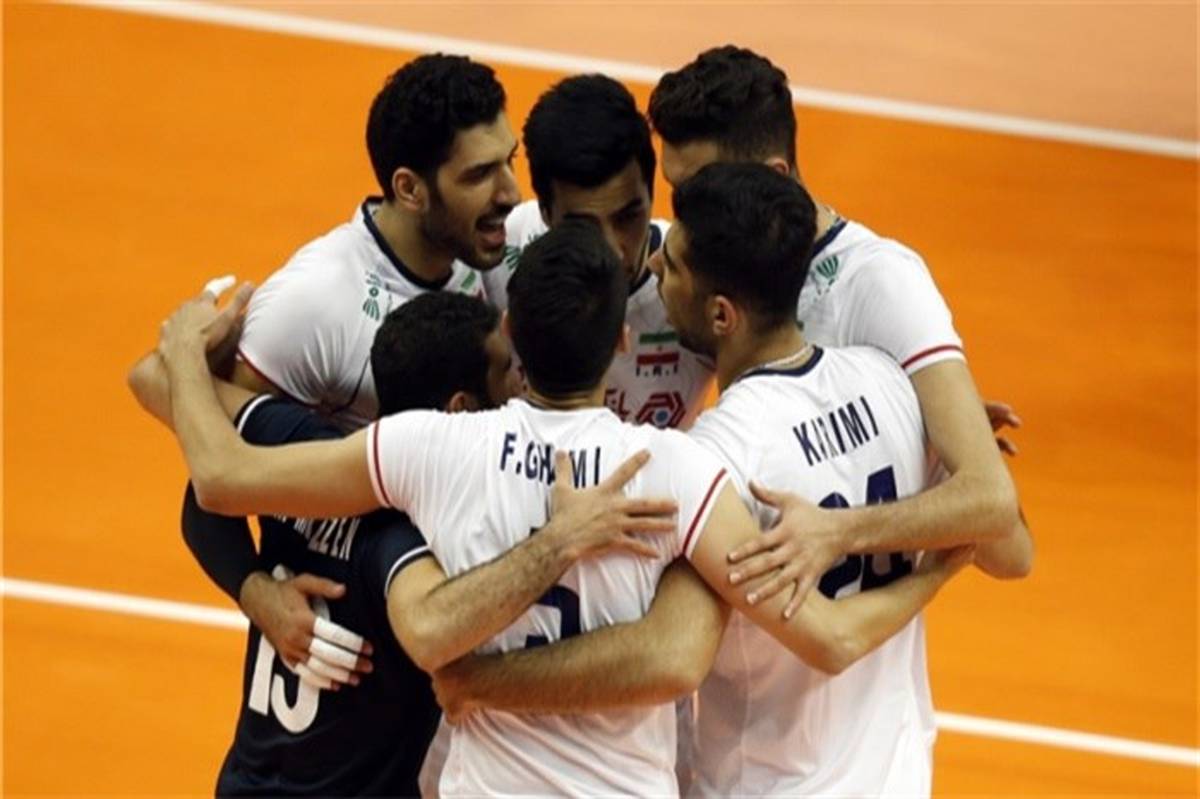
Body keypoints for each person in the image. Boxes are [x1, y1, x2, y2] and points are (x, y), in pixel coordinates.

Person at [153, 219, 967, 796]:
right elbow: (828, 638)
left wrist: (186, 354)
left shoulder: (428, 446)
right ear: (621, 343)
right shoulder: (679, 469)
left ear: (510, 330)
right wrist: (939, 563)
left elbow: (221, 478)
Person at [428, 164, 1029, 797]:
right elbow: (1011, 550)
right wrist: (933, 537)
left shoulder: (715, 458)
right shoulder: (892, 385)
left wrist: (480, 681)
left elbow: (668, 654)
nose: (653, 268)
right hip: (900, 779)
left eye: (673, 266)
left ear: (721, 314)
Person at [129, 289, 676, 795]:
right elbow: (430, 628)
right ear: (460, 409)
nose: (521, 385)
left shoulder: (304, 455)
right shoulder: (419, 533)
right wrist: (559, 541)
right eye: (506, 372)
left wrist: (252, 587)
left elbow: (202, 481)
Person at [646, 44, 1029, 611]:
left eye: (697, 189)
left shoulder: (880, 283)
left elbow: (1000, 524)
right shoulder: (690, 266)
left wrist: (841, 528)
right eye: (676, 193)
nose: (684, 215)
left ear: (773, 176)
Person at [185, 53, 523, 693]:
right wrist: (255, 591)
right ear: (409, 188)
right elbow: (213, 476)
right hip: (357, 654)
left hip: (465, 615)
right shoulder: (314, 304)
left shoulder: (497, 249)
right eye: (480, 174)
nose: (510, 193)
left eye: (510, 160)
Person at [483, 73, 713, 429]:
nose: (613, 251)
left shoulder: (700, 280)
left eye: (628, 217)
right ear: (545, 212)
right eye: (583, 225)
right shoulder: (496, 258)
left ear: (652, 196)